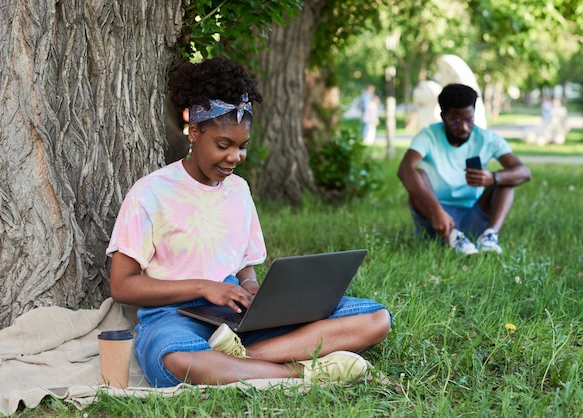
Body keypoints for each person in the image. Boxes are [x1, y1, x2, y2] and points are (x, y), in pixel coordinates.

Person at [106, 56, 392, 388]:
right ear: (194, 132)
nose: (235, 158)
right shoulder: (150, 192)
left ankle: (244, 359)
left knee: (375, 319)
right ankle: (299, 373)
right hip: (174, 317)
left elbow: (244, 265)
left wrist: (252, 288)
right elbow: (122, 285)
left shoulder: (239, 190)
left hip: (237, 315)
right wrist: (203, 287)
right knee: (176, 359)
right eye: (223, 145)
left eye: (243, 147)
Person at [397, 83, 531, 255]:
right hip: (437, 219)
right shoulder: (428, 136)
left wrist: (493, 177)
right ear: (443, 116)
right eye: (456, 121)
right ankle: (452, 237)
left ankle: (489, 237)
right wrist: (436, 210)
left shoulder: (486, 139)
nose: (464, 127)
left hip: (473, 213)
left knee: (506, 179)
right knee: (417, 176)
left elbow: (524, 172)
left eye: (469, 120)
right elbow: (405, 170)